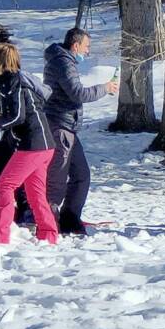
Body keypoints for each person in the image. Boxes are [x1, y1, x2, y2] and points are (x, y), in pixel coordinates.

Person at [43, 28, 118, 236]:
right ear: (75, 46)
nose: (87, 52)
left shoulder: (66, 61)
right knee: (57, 178)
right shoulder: (63, 62)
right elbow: (77, 93)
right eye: (86, 47)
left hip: (69, 126)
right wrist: (105, 88)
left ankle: (70, 216)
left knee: (81, 174)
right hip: (59, 126)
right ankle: (50, 220)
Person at [0, 43, 59, 245]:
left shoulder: (12, 81)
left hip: (32, 144)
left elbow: (17, 115)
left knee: (4, 186)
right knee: (35, 193)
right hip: (45, 145)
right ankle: (49, 234)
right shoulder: (21, 80)